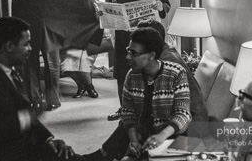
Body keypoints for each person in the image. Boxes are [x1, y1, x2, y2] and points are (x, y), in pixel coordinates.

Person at [0, 17, 84, 161]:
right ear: (10, 46)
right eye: (27, 44)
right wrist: (27, 117)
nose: (30, 49)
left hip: (16, 147)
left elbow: (28, 117)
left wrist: (48, 140)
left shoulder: (9, 72)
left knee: (69, 156)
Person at [83, 20, 208, 161]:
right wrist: (134, 138)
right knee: (127, 127)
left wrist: (159, 136)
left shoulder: (172, 68)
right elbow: (129, 113)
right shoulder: (134, 74)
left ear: (152, 54)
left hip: (185, 128)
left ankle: (104, 155)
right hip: (158, 124)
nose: (127, 57)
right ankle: (106, 154)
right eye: (128, 51)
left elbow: (183, 114)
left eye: (134, 53)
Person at [105, 0, 171, 121]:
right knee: (121, 72)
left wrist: (160, 5)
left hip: (143, 36)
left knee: (144, 71)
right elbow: (108, 3)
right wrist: (102, 12)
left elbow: (165, 4)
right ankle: (123, 108)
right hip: (122, 35)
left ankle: (144, 110)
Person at [12, 0, 68, 111]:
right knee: (52, 64)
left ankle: (34, 99)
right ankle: (53, 99)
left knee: (30, 63)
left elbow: (16, 4)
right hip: (50, 29)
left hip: (28, 28)